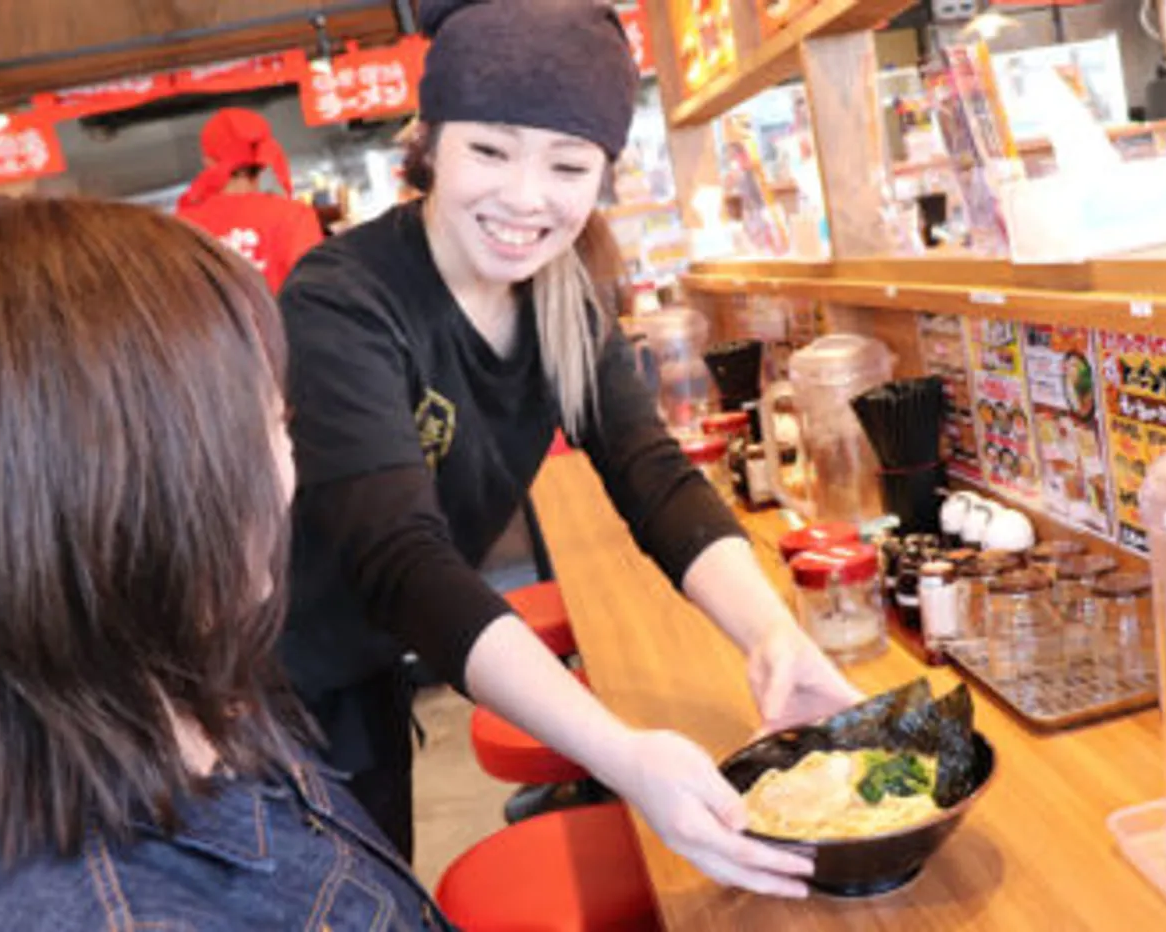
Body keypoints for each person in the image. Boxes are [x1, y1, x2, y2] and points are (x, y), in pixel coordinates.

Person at [280, 0, 862, 898]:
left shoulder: (563, 294)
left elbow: (651, 471)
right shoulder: (344, 297)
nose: (525, 197)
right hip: (265, 690)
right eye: (489, 150)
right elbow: (400, 560)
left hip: (371, 668)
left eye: (567, 164)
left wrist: (772, 635)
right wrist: (622, 755)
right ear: (430, 143)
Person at [0, 196, 453, 931]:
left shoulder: (190, 696)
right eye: (265, 429)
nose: (289, 465)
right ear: (104, 497)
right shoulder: (116, 914)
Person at [177, 107, 324, 293]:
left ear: (208, 161)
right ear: (261, 163)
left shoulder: (182, 228)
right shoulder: (295, 216)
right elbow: (316, 292)